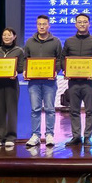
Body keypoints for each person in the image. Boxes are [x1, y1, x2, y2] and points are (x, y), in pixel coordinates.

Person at [62, 13, 92, 146]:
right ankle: (76, 136)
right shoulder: (69, 41)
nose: (82, 24)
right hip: (73, 81)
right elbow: (63, 58)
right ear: (75, 24)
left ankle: (87, 137)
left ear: (89, 24)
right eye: (79, 22)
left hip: (89, 82)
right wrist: (65, 70)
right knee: (73, 110)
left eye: (85, 22)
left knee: (90, 110)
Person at [23, 14, 63, 147]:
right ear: (36, 25)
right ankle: (35, 135)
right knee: (35, 109)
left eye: (44, 24)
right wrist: (25, 70)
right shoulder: (29, 42)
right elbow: (25, 59)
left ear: (48, 25)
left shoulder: (56, 41)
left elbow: (59, 59)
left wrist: (55, 71)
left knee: (50, 109)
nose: (41, 26)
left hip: (49, 81)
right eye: (39, 24)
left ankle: (49, 135)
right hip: (34, 81)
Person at [0, 28, 24, 148]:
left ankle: (11, 137)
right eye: (4, 35)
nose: (6, 37)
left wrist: (15, 71)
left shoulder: (19, 51)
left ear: (14, 37)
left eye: (9, 35)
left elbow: (21, 67)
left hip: (11, 84)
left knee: (12, 111)